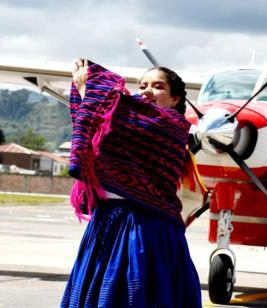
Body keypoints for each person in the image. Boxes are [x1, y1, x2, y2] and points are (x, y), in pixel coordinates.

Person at [61, 58, 202, 308]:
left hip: (145, 227)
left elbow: (112, 115)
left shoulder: (171, 126)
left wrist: (87, 91)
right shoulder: (128, 119)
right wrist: (90, 96)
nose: (147, 90)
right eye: (143, 85)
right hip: (108, 219)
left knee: (136, 295)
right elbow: (99, 125)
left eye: (158, 86)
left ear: (175, 100)